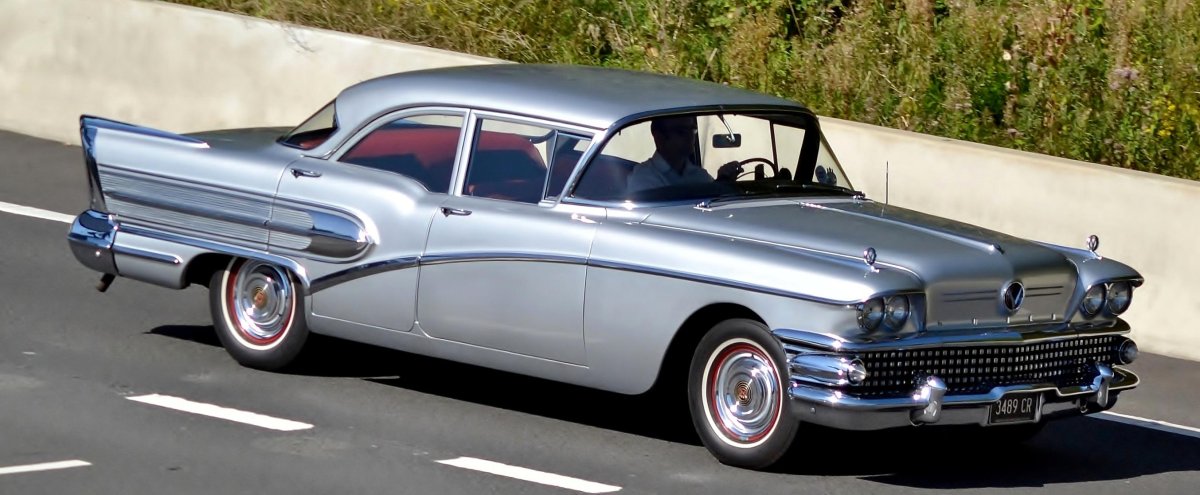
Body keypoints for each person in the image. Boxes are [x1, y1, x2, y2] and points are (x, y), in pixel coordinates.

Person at [626, 116, 740, 194]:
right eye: (681, 131)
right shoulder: (643, 177)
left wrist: (722, 181)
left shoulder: (700, 174)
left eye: (693, 129)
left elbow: (712, 203)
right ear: (659, 137)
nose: (690, 136)